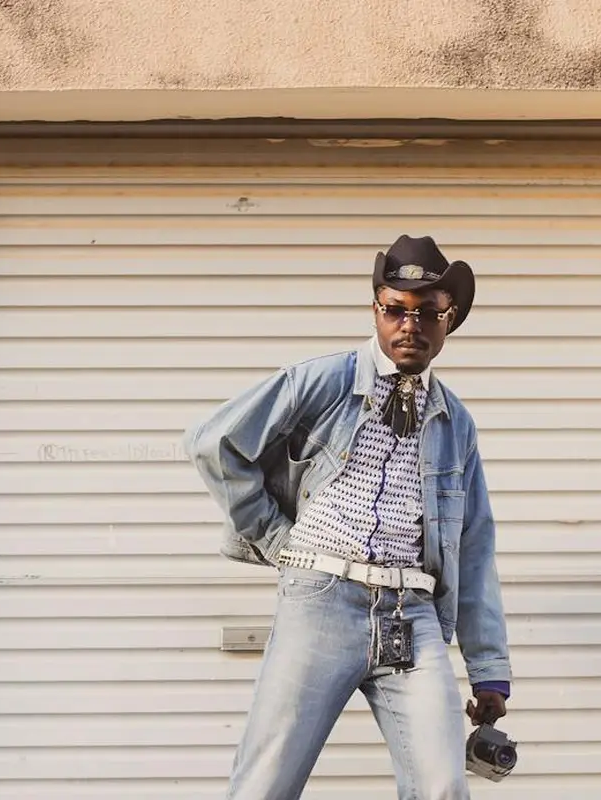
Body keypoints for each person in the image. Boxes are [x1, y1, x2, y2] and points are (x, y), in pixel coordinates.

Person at [182, 234, 512, 800]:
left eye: (428, 312)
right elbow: (215, 443)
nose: (411, 324)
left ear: (448, 318)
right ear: (376, 310)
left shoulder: (455, 421)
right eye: (396, 309)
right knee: (267, 781)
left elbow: (475, 542)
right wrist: (278, 539)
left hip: (415, 614)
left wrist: (488, 668)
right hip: (322, 599)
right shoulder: (327, 380)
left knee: (442, 786)